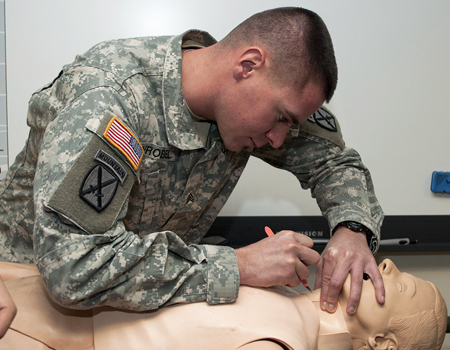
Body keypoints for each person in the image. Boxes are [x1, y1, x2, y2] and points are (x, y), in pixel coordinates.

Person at [0, 7, 384, 316]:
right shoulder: (111, 96)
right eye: (282, 117)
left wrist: (352, 230)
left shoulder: (248, 109)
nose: (279, 139)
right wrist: (239, 267)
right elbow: (74, 268)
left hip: (144, 306)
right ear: (248, 65)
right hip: (27, 301)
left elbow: (335, 162)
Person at [0, 259, 446, 350]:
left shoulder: (282, 341)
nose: (386, 265)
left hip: (49, 333)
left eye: (400, 286)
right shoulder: (287, 296)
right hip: (53, 290)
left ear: (381, 343)